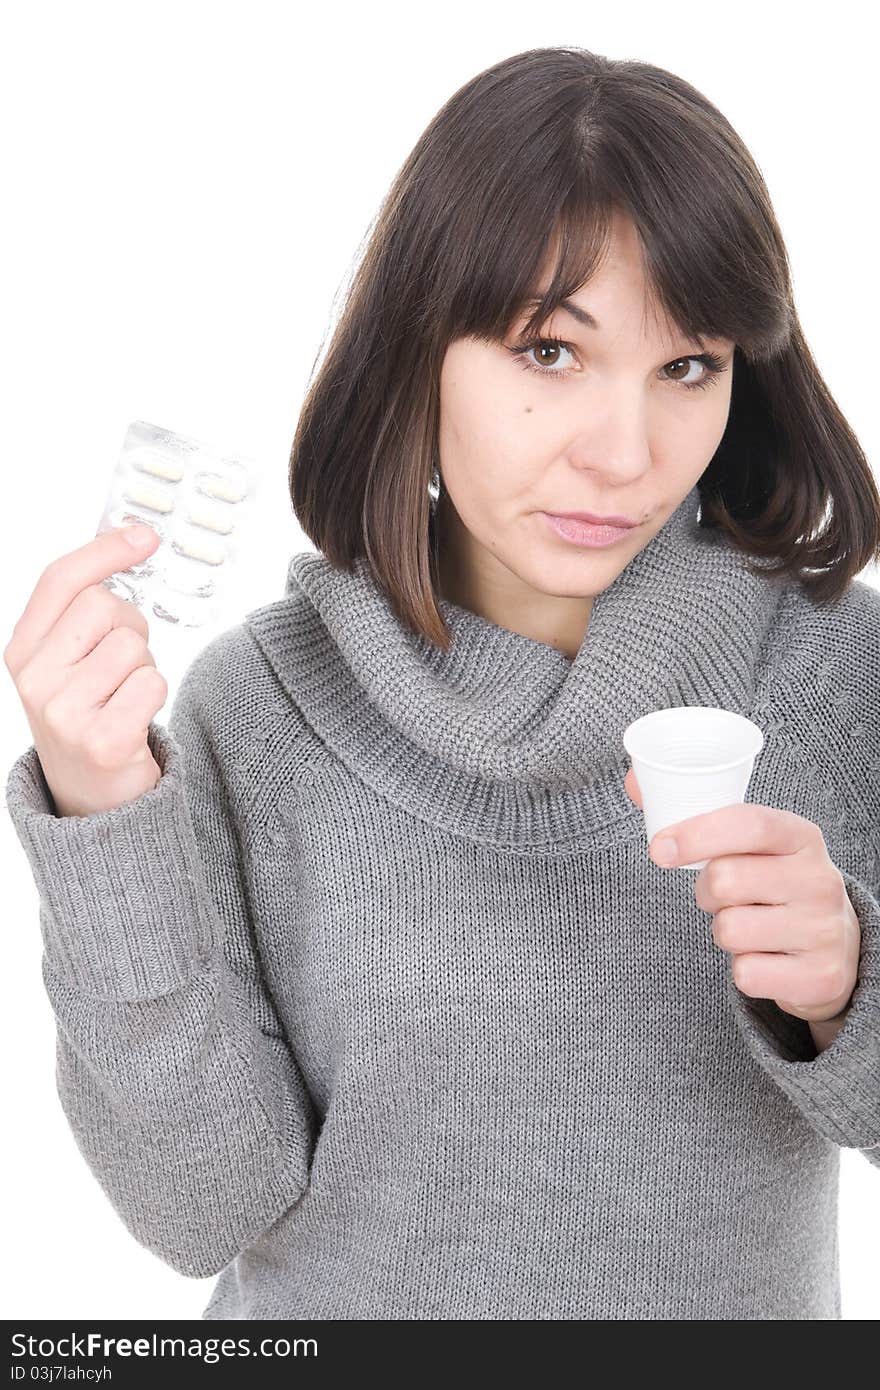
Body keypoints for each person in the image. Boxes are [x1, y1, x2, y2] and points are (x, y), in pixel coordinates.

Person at [5, 45, 880, 1321]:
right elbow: (200, 1209)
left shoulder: (834, 675)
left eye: (685, 365)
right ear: (422, 346)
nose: (626, 453)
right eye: (549, 353)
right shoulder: (262, 703)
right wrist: (101, 815)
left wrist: (849, 980)